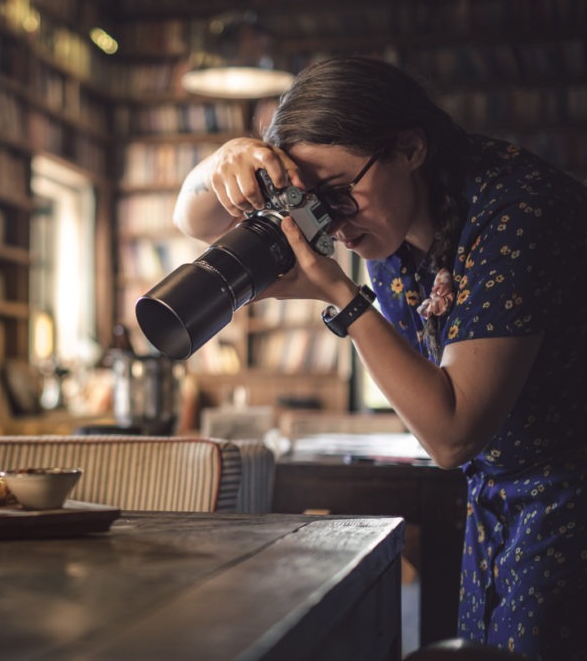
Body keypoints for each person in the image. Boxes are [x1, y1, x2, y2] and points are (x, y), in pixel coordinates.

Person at [173, 55, 587, 660]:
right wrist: (223, 162)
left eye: (339, 192)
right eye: (311, 203)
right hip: (494, 501)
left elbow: (451, 435)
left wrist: (340, 295)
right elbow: (192, 219)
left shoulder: (517, 214)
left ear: (410, 147)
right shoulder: (388, 218)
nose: (331, 224)